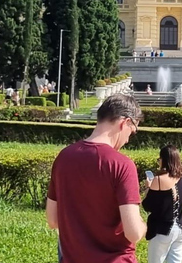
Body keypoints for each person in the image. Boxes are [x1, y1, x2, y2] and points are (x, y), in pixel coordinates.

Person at [46, 94, 146, 263]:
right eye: (133, 131)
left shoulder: (63, 157)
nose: (129, 138)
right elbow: (133, 233)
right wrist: (144, 225)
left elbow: (52, 220)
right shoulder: (122, 164)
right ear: (125, 122)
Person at [143, 145, 182, 263]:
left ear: (164, 160)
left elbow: (147, 205)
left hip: (163, 230)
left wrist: (148, 188)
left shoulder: (158, 180)